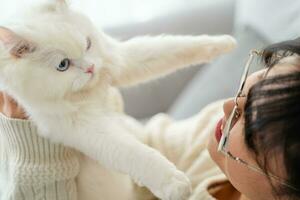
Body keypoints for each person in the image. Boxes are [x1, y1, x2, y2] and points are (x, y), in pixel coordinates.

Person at [1, 37, 300, 200]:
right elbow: (149, 144)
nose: (227, 106)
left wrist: (34, 147)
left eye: (248, 125)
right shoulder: (212, 130)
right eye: (255, 84)